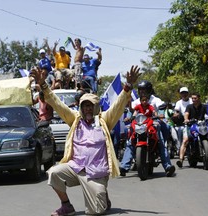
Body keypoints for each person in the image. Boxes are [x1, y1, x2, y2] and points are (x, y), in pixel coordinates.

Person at [32, 65, 140, 216]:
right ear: (81, 108)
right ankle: (66, 206)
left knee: (95, 211)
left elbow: (118, 105)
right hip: (76, 168)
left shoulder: (104, 121)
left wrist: (127, 86)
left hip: (95, 173)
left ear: (96, 107)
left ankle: (102, 194)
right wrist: (44, 85)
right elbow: (57, 104)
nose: (88, 109)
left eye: (91, 106)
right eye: (85, 106)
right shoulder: (75, 120)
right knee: (53, 173)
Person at [120, 80, 176, 177]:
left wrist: (160, 114)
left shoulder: (155, 100)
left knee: (160, 141)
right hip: (139, 125)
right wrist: (128, 116)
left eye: (144, 90)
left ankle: (167, 166)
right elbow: (132, 111)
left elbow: (160, 108)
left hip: (152, 124)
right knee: (130, 141)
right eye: (140, 90)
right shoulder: (137, 101)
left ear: (149, 90)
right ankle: (124, 167)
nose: (142, 92)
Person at [176, 93, 208, 168]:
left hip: (201, 126)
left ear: (199, 98)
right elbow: (186, 114)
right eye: (192, 98)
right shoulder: (189, 106)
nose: (194, 100)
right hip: (190, 126)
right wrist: (186, 119)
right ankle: (181, 159)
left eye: (195, 98)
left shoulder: (204, 106)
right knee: (185, 140)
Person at [172, 87, 192, 151]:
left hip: (193, 120)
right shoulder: (179, 102)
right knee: (180, 130)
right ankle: (181, 148)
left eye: (185, 93)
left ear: (188, 93)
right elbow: (176, 111)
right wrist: (175, 115)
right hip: (184, 122)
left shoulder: (192, 100)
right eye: (182, 93)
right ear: (180, 94)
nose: (184, 94)